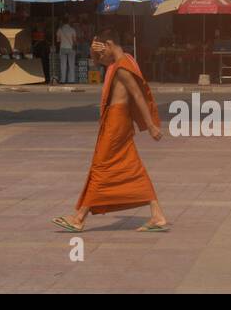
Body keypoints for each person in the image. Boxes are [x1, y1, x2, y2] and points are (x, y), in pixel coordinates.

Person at [53, 29, 170, 233]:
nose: (100, 56)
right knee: (131, 166)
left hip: (116, 122)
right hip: (116, 121)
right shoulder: (119, 61)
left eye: (101, 51)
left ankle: (79, 217)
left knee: (101, 167)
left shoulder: (122, 66)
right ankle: (157, 215)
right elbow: (98, 61)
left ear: (109, 44)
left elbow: (137, 95)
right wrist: (92, 50)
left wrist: (151, 126)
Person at [56, 19, 78, 85]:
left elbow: (58, 40)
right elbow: (74, 40)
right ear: (69, 22)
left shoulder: (60, 30)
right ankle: (71, 80)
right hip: (71, 48)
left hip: (63, 48)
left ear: (62, 23)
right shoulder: (72, 30)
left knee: (63, 65)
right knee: (71, 65)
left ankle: (63, 80)